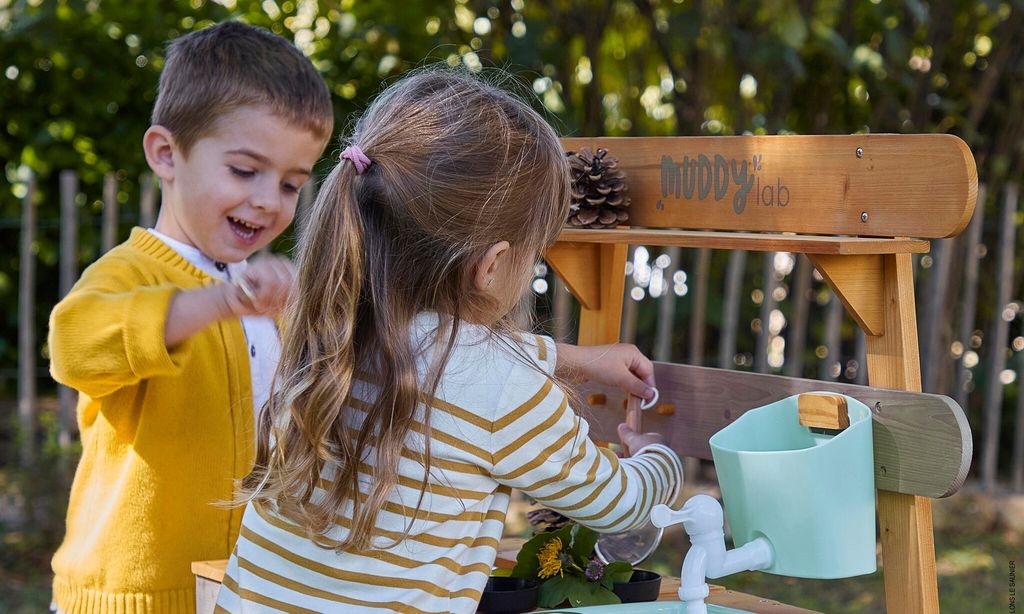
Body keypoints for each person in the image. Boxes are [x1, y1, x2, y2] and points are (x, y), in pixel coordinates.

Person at [215, 69, 683, 614]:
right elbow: (618, 505)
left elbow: (446, 354)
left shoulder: (333, 324)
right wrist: (659, 462)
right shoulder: (506, 389)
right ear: (492, 267)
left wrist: (574, 358)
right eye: (535, 255)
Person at [47, 21, 333, 613]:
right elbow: (72, 346)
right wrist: (217, 302)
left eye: (289, 184)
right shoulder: (131, 273)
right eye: (244, 170)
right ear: (166, 154)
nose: (266, 200)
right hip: (132, 598)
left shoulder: (263, 296)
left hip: (239, 589)